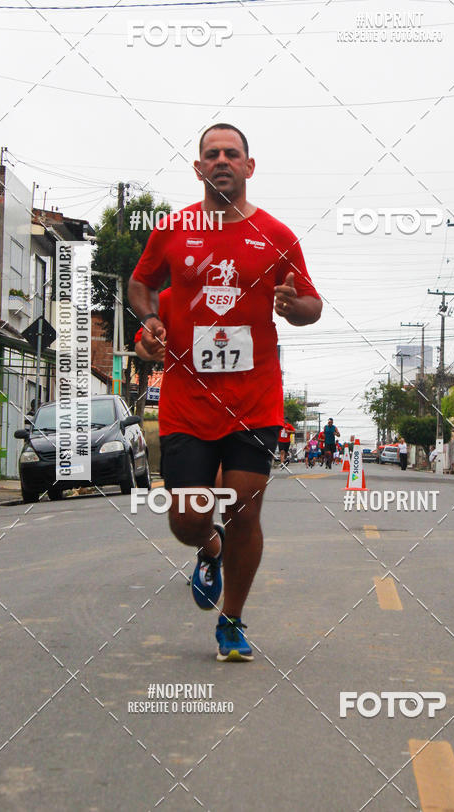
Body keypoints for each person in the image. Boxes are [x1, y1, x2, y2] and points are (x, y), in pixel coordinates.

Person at [128, 123, 322, 662]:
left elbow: (312, 305)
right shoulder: (172, 229)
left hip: (255, 400)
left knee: (244, 511)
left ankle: (232, 620)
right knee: (188, 517)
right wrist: (148, 322)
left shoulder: (277, 236)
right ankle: (207, 547)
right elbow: (142, 284)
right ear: (198, 168)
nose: (220, 161)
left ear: (248, 166)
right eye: (211, 154)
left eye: (230, 154)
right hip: (187, 401)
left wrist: (291, 304)